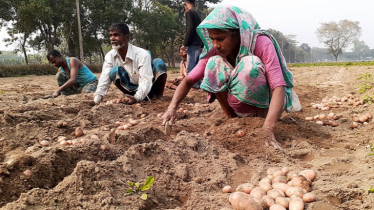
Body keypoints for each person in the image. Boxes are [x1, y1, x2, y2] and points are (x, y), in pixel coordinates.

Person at [162, 5, 298, 150]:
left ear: (238, 34)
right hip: (239, 108)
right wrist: (171, 108)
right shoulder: (214, 52)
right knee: (213, 64)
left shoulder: (260, 43)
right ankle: (230, 118)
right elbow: (188, 81)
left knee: (250, 65)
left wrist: (268, 128)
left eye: (220, 39)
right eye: (212, 39)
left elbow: (278, 86)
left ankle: (261, 119)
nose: (216, 45)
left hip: (268, 108)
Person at [94, 23, 167, 105]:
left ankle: (158, 95)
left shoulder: (142, 54)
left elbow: (146, 79)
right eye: (110, 35)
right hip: (130, 88)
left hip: (150, 87)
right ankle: (130, 97)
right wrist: (97, 99)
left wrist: (138, 97)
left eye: (116, 35)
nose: (112, 39)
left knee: (159, 62)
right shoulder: (110, 56)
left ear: (126, 37)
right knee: (114, 71)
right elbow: (104, 78)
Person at [183, 0, 203, 88]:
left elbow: (190, 28)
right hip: (198, 42)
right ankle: (197, 83)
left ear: (186, 4)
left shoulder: (189, 13)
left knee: (190, 68)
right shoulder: (197, 14)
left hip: (192, 43)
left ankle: (193, 85)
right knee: (196, 66)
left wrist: (185, 43)